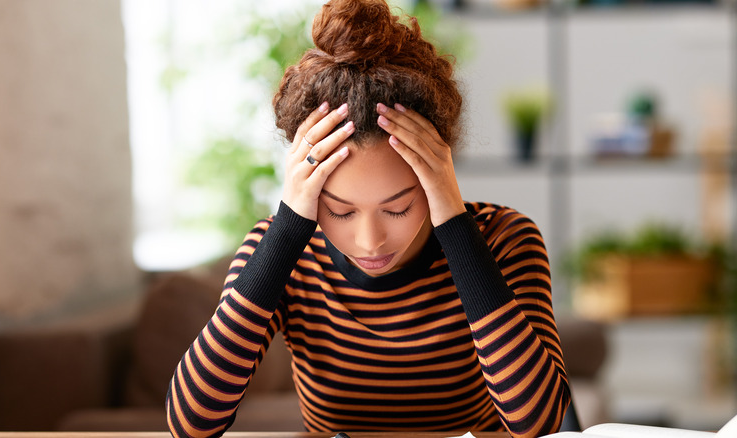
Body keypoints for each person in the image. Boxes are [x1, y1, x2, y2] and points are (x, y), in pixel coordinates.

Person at [166, 0, 570, 437]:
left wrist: (454, 223)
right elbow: (191, 426)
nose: (370, 241)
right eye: (340, 210)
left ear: (438, 176)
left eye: (397, 207)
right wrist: (286, 229)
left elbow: (540, 424)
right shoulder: (280, 252)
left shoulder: (505, 239)